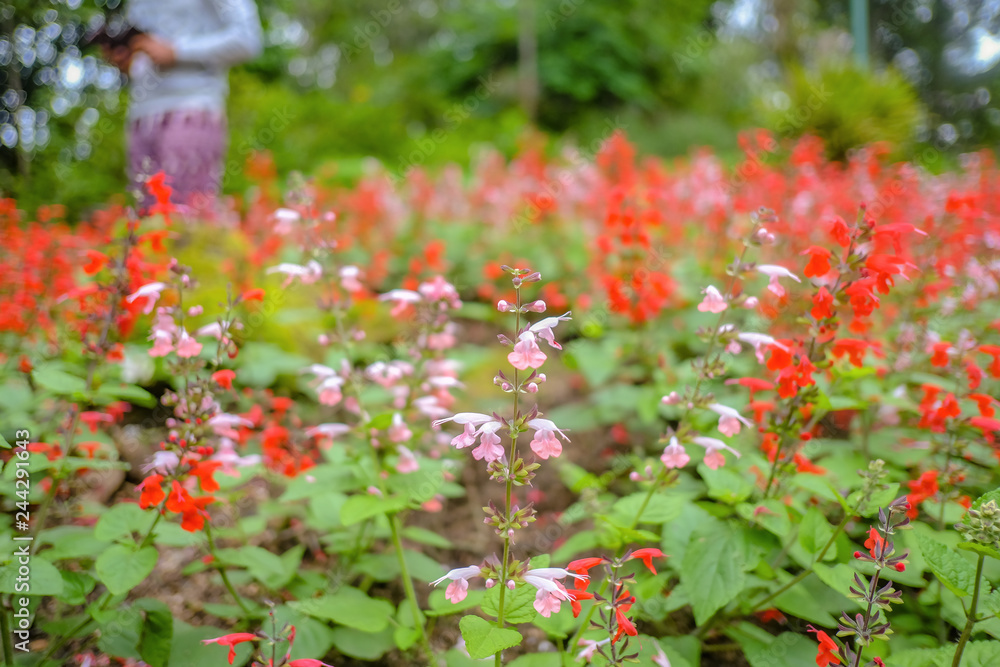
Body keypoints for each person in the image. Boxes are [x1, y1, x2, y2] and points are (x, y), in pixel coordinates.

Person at [109, 0, 263, 211]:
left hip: (192, 105)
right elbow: (145, 53)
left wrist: (178, 51)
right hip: (142, 115)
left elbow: (247, 39)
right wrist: (129, 62)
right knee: (146, 218)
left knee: (187, 216)